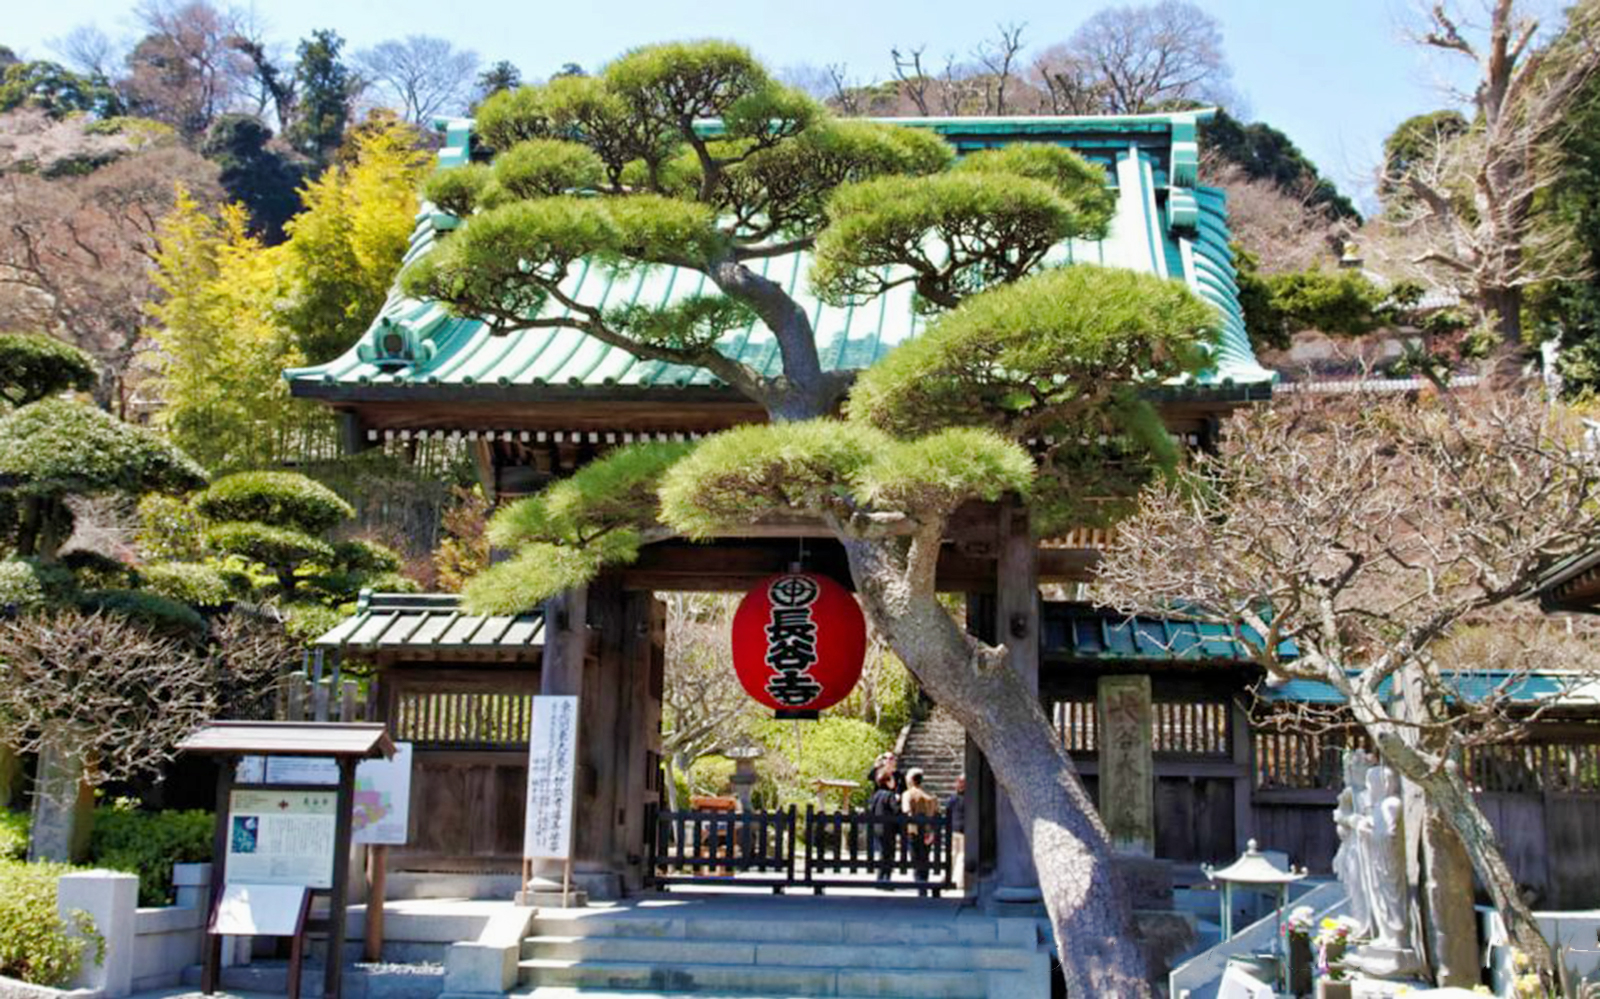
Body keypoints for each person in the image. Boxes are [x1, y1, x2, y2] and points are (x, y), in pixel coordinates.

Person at [902, 768, 940, 895]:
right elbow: (936, 813)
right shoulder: (930, 795)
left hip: (914, 831)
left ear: (911, 780)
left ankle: (920, 885)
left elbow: (906, 811)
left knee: (916, 859)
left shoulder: (908, 794)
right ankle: (924, 882)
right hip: (928, 831)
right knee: (925, 858)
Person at [867, 770, 900, 885]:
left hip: (877, 828)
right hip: (888, 828)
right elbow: (895, 810)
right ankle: (886, 877)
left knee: (882, 853)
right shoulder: (890, 795)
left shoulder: (875, 795)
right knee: (889, 853)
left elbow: (870, 809)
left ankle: (880, 876)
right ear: (887, 782)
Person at [944, 775, 966, 888]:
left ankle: (947, 877)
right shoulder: (970, 798)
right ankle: (958, 881)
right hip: (963, 829)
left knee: (952, 854)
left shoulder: (952, 798)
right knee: (961, 855)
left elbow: (947, 812)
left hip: (953, 828)